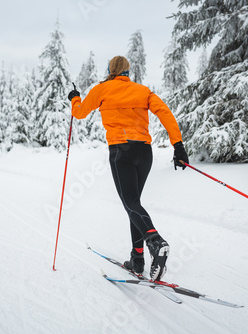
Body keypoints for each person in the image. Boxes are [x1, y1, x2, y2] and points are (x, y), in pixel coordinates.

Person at [68, 55, 188, 281]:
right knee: (134, 205)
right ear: (127, 71)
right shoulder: (143, 91)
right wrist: (178, 145)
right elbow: (165, 113)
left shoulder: (102, 89)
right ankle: (137, 259)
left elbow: (80, 113)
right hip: (144, 152)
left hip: (121, 152)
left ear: (110, 70)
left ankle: (155, 241)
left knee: (131, 203)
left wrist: (75, 98)